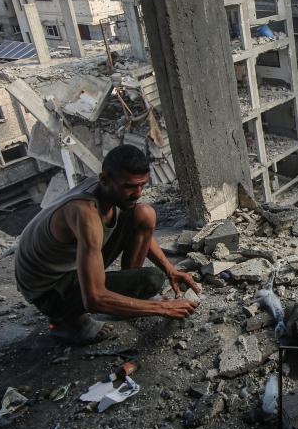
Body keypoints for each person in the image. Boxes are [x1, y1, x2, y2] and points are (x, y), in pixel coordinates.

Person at [15, 145, 199, 344]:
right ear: (104, 180)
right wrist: (164, 308)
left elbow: (139, 223)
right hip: (49, 291)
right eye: (129, 186)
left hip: (66, 265)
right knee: (152, 280)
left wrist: (170, 269)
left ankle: (124, 300)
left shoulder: (107, 189)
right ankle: (67, 323)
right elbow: (94, 299)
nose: (137, 193)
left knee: (144, 213)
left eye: (142, 185)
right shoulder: (85, 213)